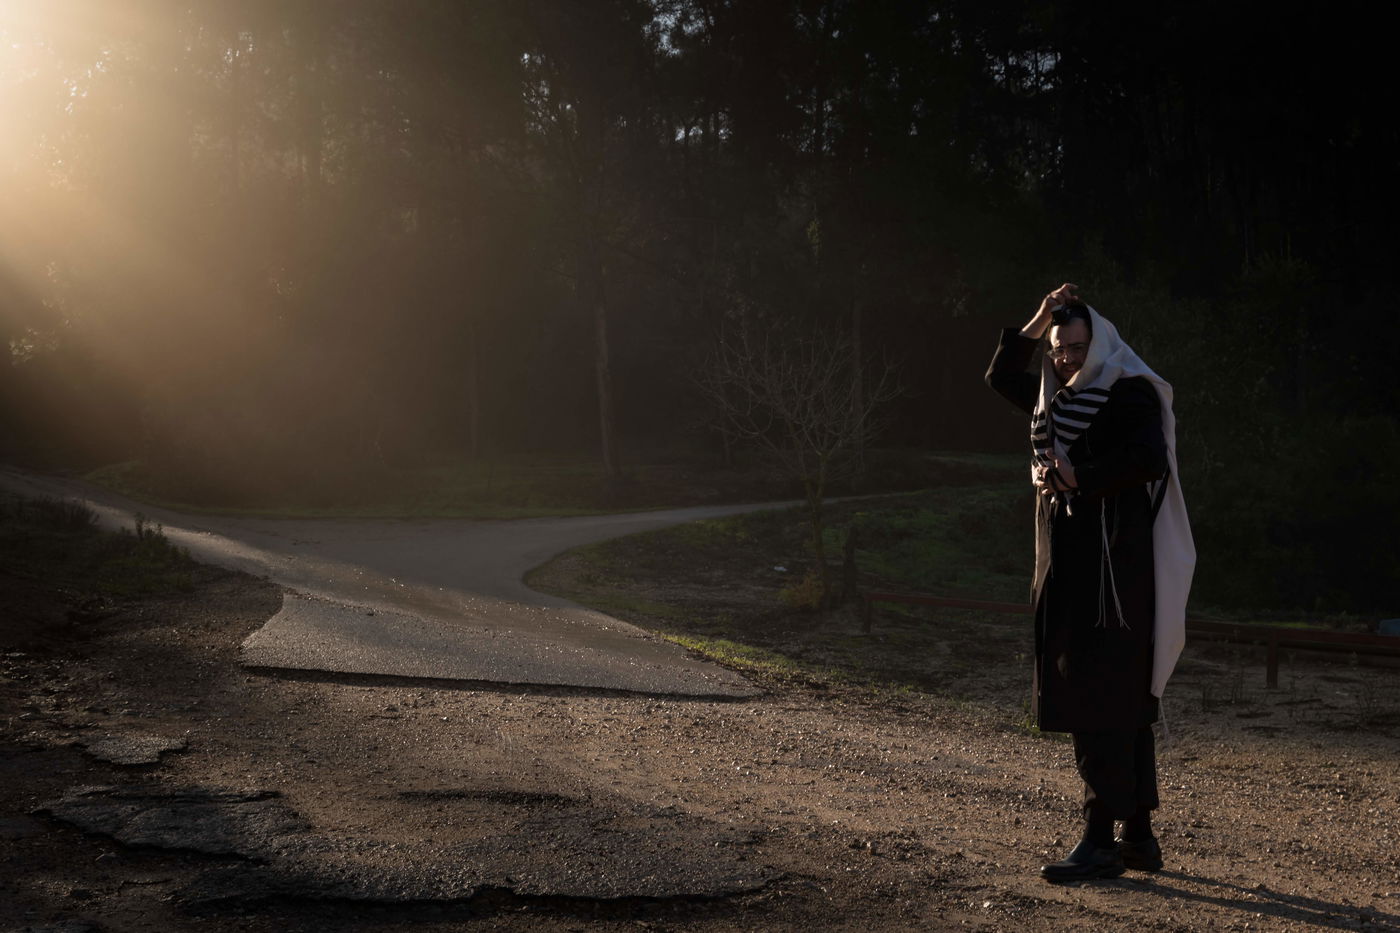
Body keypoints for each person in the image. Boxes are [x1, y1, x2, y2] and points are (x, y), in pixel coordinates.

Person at [984, 283, 1195, 883]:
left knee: (1099, 694)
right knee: (1120, 696)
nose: (1067, 359)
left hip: (1112, 564)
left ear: (1100, 342)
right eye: (1059, 349)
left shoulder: (1128, 389)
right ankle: (1139, 837)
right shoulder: (1051, 393)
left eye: (1077, 347)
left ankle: (1102, 839)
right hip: (1070, 558)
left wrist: (1083, 478)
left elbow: (1150, 457)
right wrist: (1038, 320)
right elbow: (1001, 376)